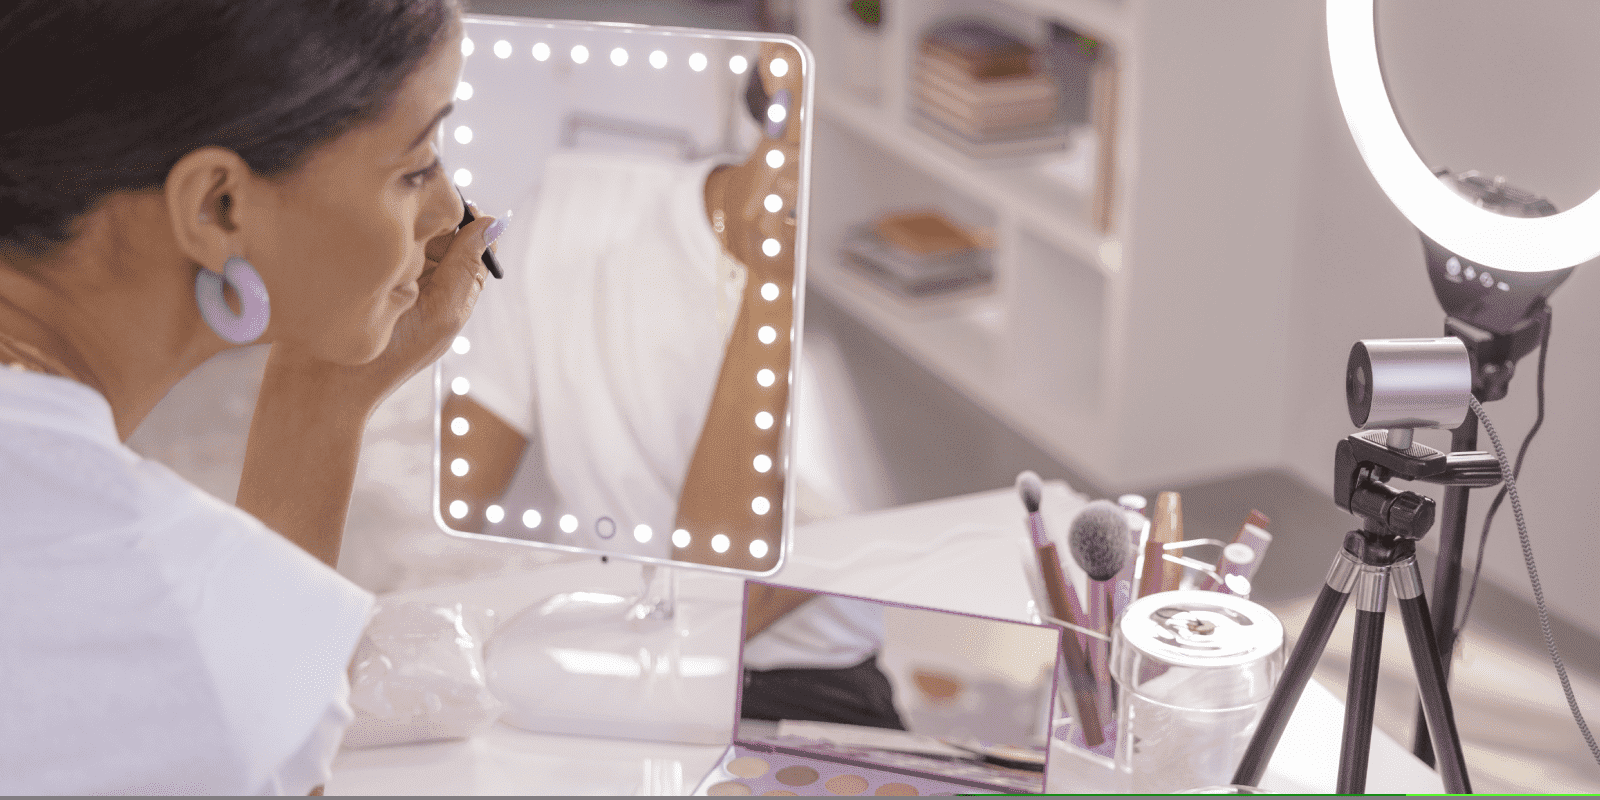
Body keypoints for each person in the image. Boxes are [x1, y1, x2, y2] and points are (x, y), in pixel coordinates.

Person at [0, 0, 499, 793]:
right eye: (414, 168)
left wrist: (323, 398)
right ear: (218, 206)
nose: (446, 212)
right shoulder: (172, 625)